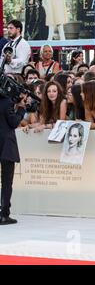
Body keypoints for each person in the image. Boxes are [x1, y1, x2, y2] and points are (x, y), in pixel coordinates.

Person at [0, 92, 27, 225]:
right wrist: (21, 108)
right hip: (6, 146)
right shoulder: (6, 102)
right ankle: (4, 215)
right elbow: (14, 122)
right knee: (6, 182)